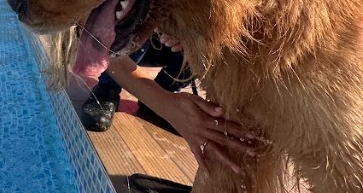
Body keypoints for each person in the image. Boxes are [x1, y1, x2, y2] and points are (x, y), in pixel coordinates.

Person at [81, 34, 260, 174]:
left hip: (169, 45)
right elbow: (92, 34)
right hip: (137, 43)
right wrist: (166, 104)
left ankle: (160, 91)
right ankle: (107, 89)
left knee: (203, 43)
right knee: (136, 17)